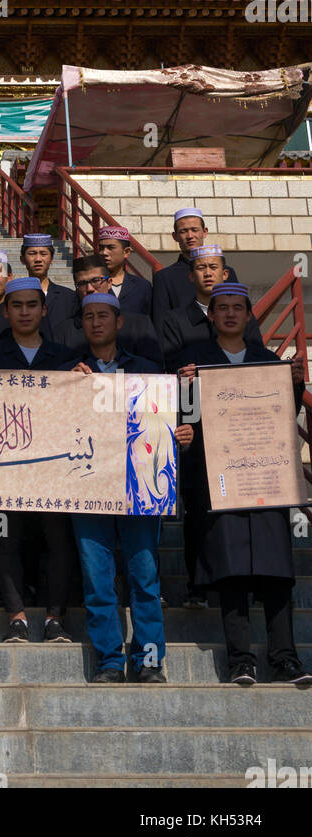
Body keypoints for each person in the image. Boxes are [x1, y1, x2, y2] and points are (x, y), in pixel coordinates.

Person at [176, 283, 312, 685]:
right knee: (232, 571)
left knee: (276, 571)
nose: (231, 314)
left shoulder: (267, 361)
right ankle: (241, 660)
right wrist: (186, 389)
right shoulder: (194, 363)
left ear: (249, 315)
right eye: (223, 308)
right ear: (212, 316)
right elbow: (188, 419)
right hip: (223, 481)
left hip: (267, 480)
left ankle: (285, 658)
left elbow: (283, 416)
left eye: (238, 308)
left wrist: (294, 384)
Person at [65, 293, 169, 682]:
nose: (96, 323)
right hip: (88, 486)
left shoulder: (146, 370)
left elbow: (164, 424)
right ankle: (110, 659)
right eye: (88, 316)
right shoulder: (70, 374)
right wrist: (68, 389)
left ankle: (149, 660)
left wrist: (181, 432)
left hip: (141, 483)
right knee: (97, 578)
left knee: (144, 576)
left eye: (103, 316)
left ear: (119, 322)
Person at [0, 277, 76, 644]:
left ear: (44, 309)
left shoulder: (64, 358)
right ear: (5, 311)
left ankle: (54, 617)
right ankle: (16, 615)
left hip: (52, 470)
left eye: (31, 305)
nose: (24, 312)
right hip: (5, 470)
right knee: (5, 539)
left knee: (58, 542)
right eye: (16, 306)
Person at [52, 255, 163, 368]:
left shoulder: (139, 325)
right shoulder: (63, 332)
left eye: (96, 280)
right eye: (82, 284)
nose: (89, 288)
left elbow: (156, 370)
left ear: (109, 282)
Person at [161, 245, 262, 365]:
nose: (208, 273)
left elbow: (258, 356)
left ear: (225, 274)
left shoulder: (242, 317)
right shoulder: (175, 320)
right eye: (201, 267)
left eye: (213, 267)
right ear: (191, 276)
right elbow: (174, 367)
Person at [151, 207, 240, 330]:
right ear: (175, 236)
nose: (190, 236)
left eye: (194, 230)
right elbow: (160, 323)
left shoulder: (226, 272)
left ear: (204, 232)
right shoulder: (164, 277)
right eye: (183, 231)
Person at [20, 233, 76, 334]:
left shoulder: (69, 297)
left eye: (43, 254)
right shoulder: (16, 297)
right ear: (22, 259)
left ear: (51, 259)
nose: (38, 259)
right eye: (32, 253)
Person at [96, 225, 152, 316]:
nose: (104, 253)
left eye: (111, 247)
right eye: (101, 248)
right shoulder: (91, 285)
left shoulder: (142, 287)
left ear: (126, 252)